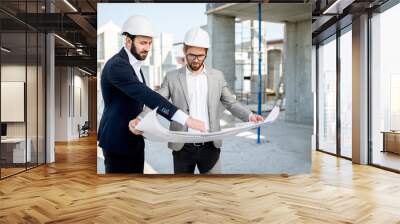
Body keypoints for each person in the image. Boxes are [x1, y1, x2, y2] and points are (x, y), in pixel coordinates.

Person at [129, 27, 264, 174]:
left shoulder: (217, 76)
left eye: (200, 55)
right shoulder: (172, 77)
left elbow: (231, 103)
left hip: (210, 145)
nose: (196, 59)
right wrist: (141, 118)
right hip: (182, 145)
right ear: (184, 51)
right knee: (184, 191)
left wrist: (250, 116)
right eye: (191, 55)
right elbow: (157, 101)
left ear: (206, 52)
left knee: (213, 190)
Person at [98, 16, 206, 174]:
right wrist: (187, 120)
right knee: (120, 193)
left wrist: (141, 119)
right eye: (143, 43)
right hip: (117, 141)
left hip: (134, 137)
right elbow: (147, 96)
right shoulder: (117, 66)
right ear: (128, 41)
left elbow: (135, 102)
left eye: (149, 43)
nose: (147, 48)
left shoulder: (134, 64)